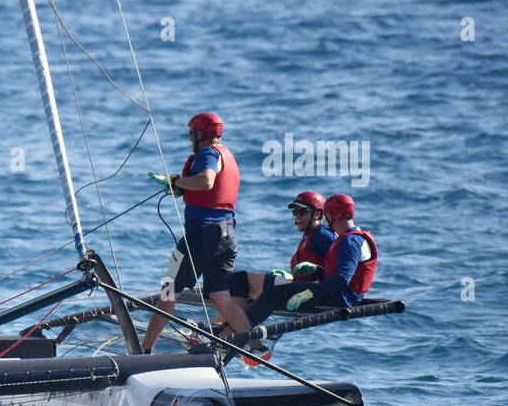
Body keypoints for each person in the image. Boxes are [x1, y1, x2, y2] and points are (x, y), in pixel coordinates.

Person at [140, 112, 252, 353]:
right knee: (222, 298)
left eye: (192, 132)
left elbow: (206, 181)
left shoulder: (208, 154)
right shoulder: (226, 154)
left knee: (167, 294)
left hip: (201, 237)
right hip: (227, 236)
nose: (190, 137)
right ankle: (256, 346)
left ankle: (143, 352)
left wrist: (176, 182)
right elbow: (212, 190)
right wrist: (182, 189)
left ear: (201, 134)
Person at [242, 193, 377, 327]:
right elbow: (340, 276)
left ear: (331, 215)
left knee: (272, 294)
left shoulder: (351, 241)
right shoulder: (350, 238)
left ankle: (238, 331)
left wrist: (310, 293)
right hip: (337, 295)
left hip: (341, 299)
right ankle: (236, 328)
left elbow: (341, 280)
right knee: (273, 293)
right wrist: (317, 270)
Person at [226, 190, 337, 305]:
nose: (298, 217)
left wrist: (315, 290)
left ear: (318, 214)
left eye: (303, 212)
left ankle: (234, 322)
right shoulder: (312, 235)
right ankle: (227, 322)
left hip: (307, 294)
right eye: (295, 212)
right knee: (240, 288)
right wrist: (289, 277)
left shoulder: (323, 235)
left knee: (239, 281)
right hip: (300, 288)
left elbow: (341, 269)